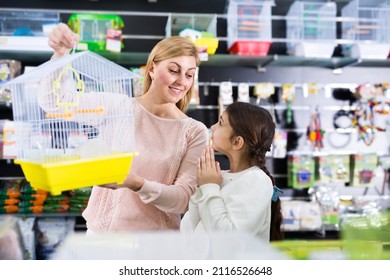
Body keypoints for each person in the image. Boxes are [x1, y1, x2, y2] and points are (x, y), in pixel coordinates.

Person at [48, 23, 209, 233]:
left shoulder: (195, 132)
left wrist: (136, 184)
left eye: (189, 75)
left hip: (154, 248)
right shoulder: (118, 108)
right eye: (173, 70)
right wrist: (60, 55)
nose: (182, 81)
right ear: (151, 68)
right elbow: (57, 101)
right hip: (100, 239)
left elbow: (183, 199)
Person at [180, 102, 284, 242]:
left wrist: (209, 187)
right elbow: (188, 230)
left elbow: (230, 240)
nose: (213, 127)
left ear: (237, 142)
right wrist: (202, 187)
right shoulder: (220, 177)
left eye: (221, 123)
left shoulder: (257, 180)